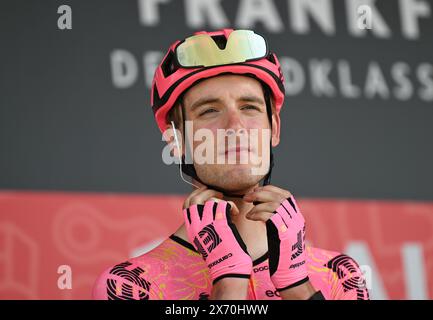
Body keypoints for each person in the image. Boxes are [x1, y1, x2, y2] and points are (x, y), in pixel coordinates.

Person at [93, 29, 369, 300]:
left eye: (249, 107)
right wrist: (229, 282)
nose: (236, 127)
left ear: (274, 129)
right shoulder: (132, 285)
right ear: (176, 141)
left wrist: (298, 288)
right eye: (209, 111)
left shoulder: (339, 276)